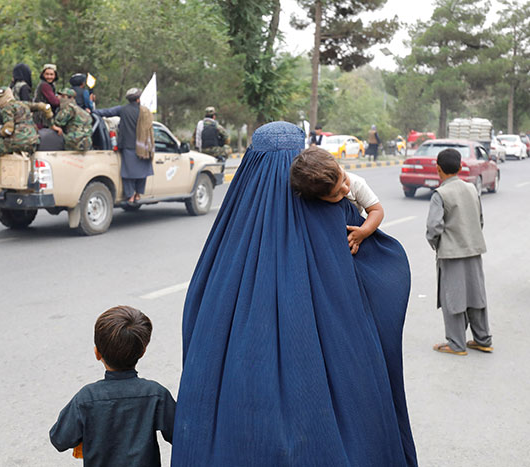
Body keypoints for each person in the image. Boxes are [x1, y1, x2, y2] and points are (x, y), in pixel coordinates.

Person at [172, 121, 417, 466]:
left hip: (243, 385)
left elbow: (201, 301)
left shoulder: (235, 218)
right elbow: (373, 276)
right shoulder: (332, 209)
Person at [49, 305, 175, 467]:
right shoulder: (156, 394)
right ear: (142, 352)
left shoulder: (86, 398)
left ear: (97, 353)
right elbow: (180, 435)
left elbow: (59, 439)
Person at [426, 148, 492, 356]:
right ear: (461, 167)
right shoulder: (472, 189)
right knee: (476, 295)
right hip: (473, 250)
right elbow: (479, 220)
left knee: (453, 298)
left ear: (438, 169)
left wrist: (436, 244)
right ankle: (483, 340)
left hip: (451, 254)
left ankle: (456, 344)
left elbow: (433, 228)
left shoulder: (440, 194)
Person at [290, 146, 384, 254]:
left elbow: (377, 210)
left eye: (344, 178)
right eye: (336, 194)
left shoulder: (357, 183)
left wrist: (364, 232)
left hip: (358, 232)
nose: (346, 189)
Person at [94, 88, 154, 203]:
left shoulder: (122, 109)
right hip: (144, 147)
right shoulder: (146, 111)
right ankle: (137, 194)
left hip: (128, 146)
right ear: (138, 99)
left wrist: (91, 111)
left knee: (128, 173)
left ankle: (130, 195)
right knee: (142, 172)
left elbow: (106, 112)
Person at [0, 87, 39, 191]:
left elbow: (8, 130)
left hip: (18, 140)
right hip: (32, 139)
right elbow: (42, 107)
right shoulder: (23, 104)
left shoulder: (7, 107)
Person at [33, 63, 59, 128]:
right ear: (43, 74)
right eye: (47, 74)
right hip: (41, 118)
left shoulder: (51, 85)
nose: (49, 77)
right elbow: (54, 102)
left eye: (51, 74)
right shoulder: (45, 85)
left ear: (55, 75)